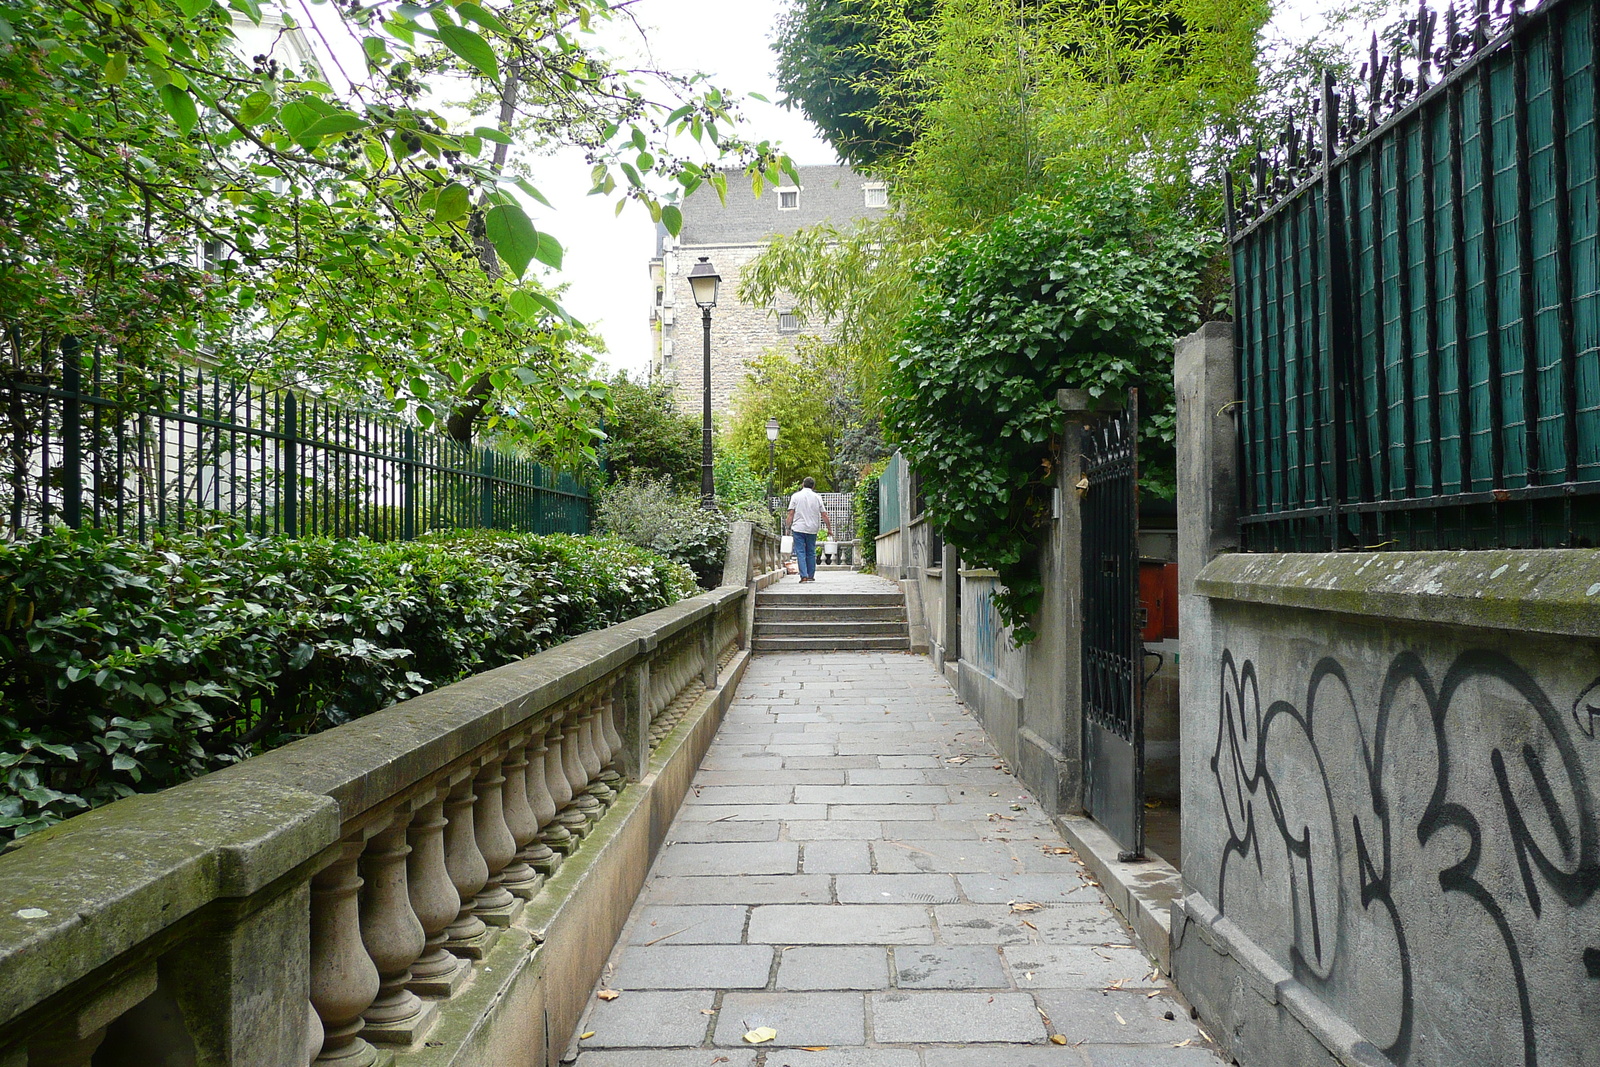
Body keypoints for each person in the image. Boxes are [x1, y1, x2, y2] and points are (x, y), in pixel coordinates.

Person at [785, 477, 832, 583]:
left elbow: (791, 513)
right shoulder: (817, 497)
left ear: (802, 484)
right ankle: (811, 575)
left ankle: (803, 576)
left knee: (800, 552)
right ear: (813, 486)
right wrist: (829, 529)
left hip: (798, 528)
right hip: (812, 528)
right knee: (811, 552)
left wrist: (787, 527)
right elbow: (824, 514)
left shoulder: (795, 496)